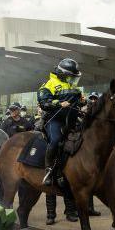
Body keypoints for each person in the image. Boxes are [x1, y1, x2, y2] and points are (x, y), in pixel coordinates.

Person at [39, 58, 84, 186]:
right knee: (55, 140)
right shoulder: (48, 85)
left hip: (73, 120)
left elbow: (79, 100)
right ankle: (49, 169)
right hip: (55, 120)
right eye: (71, 76)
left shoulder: (72, 85)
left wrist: (83, 101)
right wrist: (58, 103)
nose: (73, 79)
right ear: (63, 74)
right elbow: (44, 103)